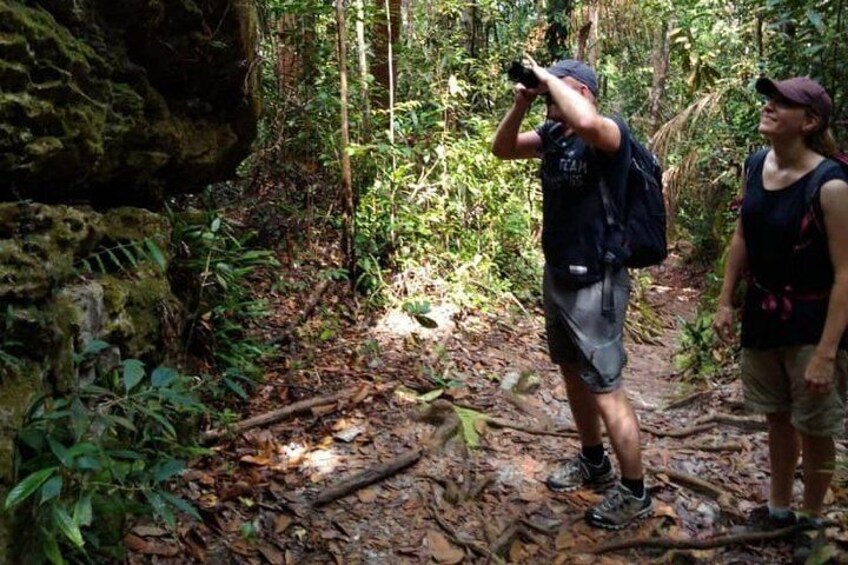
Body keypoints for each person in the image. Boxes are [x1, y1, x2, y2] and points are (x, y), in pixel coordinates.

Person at [491, 58, 651, 529]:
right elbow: (502, 149)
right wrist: (523, 103)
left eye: (554, 87)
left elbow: (585, 120)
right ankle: (593, 460)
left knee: (605, 385)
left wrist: (547, 79)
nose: (545, 93)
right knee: (572, 374)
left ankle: (635, 490)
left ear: (579, 90)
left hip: (597, 280)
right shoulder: (554, 135)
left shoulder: (608, 132)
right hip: (559, 271)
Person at [714, 76, 848, 555]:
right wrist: (726, 300)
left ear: (809, 122)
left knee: (815, 426)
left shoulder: (830, 185)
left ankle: (812, 520)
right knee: (776, 417)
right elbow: (742, 237)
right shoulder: (756, 165)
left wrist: (827, 354)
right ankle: (777, 508)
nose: (769, 107)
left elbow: (845, 274)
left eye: (782, 103)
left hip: (812, 324)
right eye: (769, 99)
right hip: (763, 316)